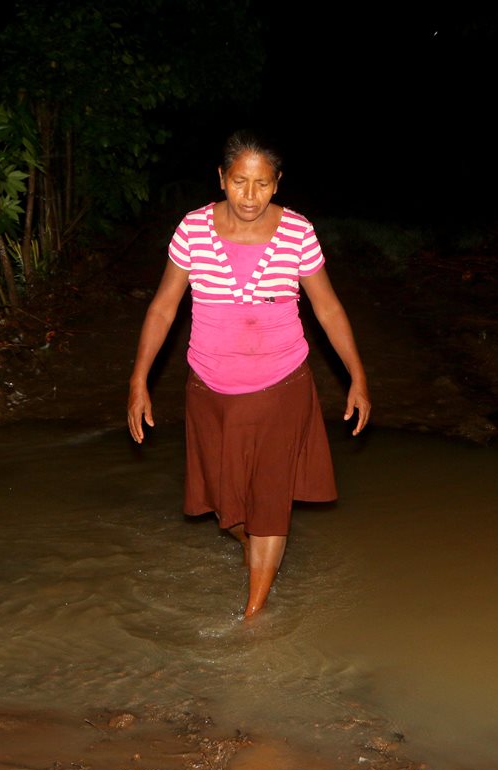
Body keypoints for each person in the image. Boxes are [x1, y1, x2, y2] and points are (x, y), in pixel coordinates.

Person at [127, 130, 370, 618]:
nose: (250, 196)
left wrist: (357, 377)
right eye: (240, 182)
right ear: (221, 178)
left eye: (262, 184)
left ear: (277, 183)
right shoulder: (193, 228)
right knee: (224, 504)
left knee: (268, 505)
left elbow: (327, 308)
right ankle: (259, 540)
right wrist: (138, 381)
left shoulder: (297, 231)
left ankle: (253, 621)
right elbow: (163, 308)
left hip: (282, 386)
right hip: (209, 388)